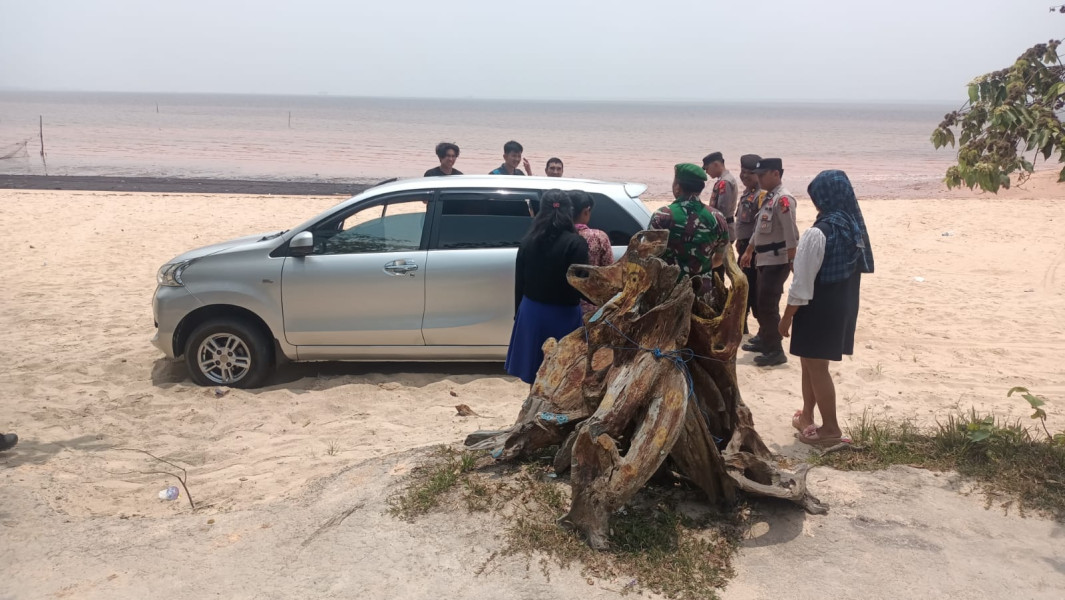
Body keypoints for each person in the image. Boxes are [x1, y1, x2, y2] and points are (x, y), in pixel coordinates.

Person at [780, 170, 873, 447]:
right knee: (809, 362)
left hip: (816, 307)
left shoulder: (817, 233)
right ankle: (807, 416)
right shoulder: (851, 226)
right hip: (841, 304)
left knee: (817, 367)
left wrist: (786, 318)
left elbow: (802, 283)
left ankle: (830, 428)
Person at [505, 190, 590, 384]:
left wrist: (518, 314)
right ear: (570, 212)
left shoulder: (528, 241)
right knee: (563, 377)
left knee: (535, 375)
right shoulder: (576, 243)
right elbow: (582, 285)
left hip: (532, 313)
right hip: (564, 316)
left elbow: (520, 282)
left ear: (541, 211)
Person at [739, 158, 799, 367]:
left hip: (777, 259)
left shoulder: (784, 199)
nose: (759, 178)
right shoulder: (769, 198)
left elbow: (791, 234)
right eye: (759, 174)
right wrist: (749, 250)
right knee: (761, 300)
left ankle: (775, 350)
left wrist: (792, 260)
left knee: (768, 305)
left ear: (776, 173)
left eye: (763, 174)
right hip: (763, 258)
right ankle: (765, 340)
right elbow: (758, 228)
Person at [649, 163, 730, 299]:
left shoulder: (662, 216)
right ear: (700, 188)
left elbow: (650, 257)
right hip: (701, 295)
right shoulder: (717, 217)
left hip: (667, 295)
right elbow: (720, 258)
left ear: (677, 186)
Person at [735, 154, 768, 335]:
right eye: (743, 171)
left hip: (753, 249)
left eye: (750, 173)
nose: (744, 176)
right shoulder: (748, 192)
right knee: (745, 287)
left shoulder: (761, 195)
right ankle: (743, 326)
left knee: (754, 289)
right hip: (744, 246)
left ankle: (763, 331)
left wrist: (749, 248)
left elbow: (760, 226)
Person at [568, 190, 614, 315]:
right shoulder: (598, 237)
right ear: (586, 211)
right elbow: (608, 273)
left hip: (563, 305)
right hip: (593, 308)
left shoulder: (557, 235)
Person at [703, 152, 739, 242]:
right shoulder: (723, 180)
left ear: (716, 164)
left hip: (724, 229)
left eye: (707, 168)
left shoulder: (725, 182)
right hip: (723, 227)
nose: (706, 172)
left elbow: (723, 210)